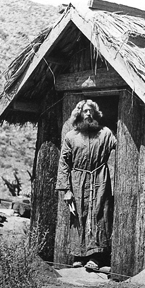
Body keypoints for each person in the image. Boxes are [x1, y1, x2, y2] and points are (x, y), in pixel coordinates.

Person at [56, 99, 116, 271]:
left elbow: (122, 146)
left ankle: (96, 257)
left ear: (96, 114)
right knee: (78, 215)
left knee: (99, 214)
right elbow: (64, 164)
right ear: (79, 114)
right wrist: (66, 190)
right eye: (85, 111)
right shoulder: (71, 137)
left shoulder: (105, 134)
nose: (88, 113)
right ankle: (78, 255)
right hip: (77, 180)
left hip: (100, 179)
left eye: (91, 111)